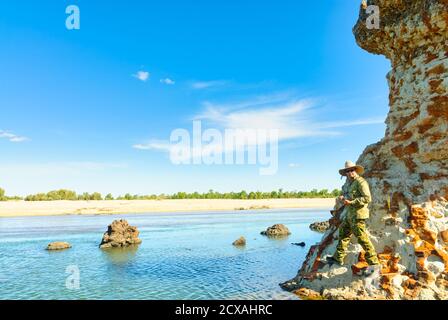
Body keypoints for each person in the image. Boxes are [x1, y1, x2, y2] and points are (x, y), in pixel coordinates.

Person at [326, 161, 380, 275]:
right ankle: (338, 258)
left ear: (355, 170)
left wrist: (351, 202)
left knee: (362, 238)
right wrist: (344, 198)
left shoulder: (361, 182)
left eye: (351, 170)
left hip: (358, 215)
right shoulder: (351, 183)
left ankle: (374, 263)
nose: (349, 173)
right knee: (343, 235)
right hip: (350, 215)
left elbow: (367, 198)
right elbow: (350, 197)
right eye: (347, 171)